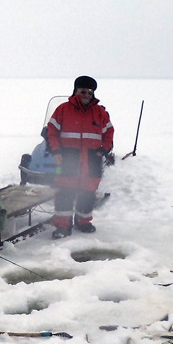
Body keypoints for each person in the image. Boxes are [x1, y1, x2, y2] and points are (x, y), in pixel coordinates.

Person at [46, 75, 115, 238]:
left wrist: (102, 151)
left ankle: (83, 222)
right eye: (83, 91)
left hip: (92, 160)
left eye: (89, 92)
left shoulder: (100, 113)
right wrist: (56, 151)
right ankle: (63, 226)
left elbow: (109, 134)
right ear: (76, 91)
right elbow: (52, 132)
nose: (86, 94)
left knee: (88, 193)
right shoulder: (63, 109)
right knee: (65, 192)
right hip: (68, 159)